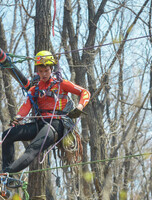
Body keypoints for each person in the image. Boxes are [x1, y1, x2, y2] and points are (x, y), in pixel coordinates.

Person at [1, 50, 90, 173]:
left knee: (32, 149)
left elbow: (85, 92)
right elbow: (26, 106)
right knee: (7, 135)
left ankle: (8, 172)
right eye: (40, 71)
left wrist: (80, 107)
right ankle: (6, 172)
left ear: (51, 69)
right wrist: (18, 118)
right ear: (37, 70)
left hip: (56, 125)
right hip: (40, 123)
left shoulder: (61, 84)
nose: (43, 74)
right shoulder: (34, 89)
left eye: (46, 70)